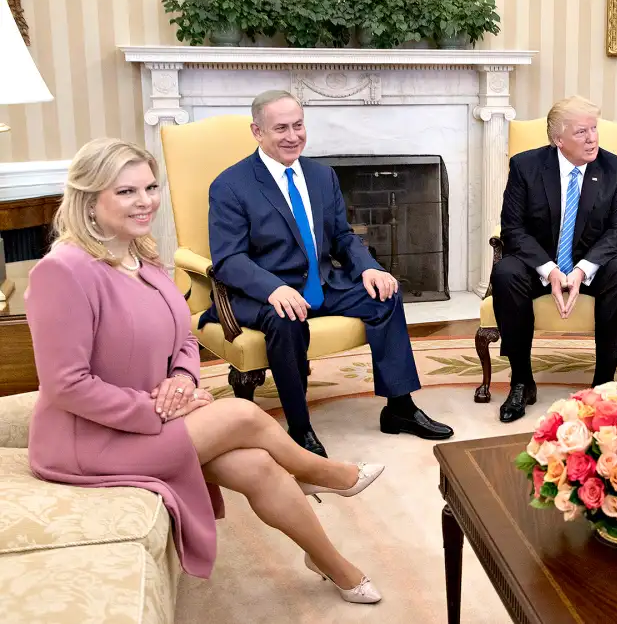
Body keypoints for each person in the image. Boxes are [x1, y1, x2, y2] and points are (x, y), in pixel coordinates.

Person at [25, 138, 385, 604]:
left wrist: (184, 381)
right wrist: (157, 410)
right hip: (89, 440)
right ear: (90, 200)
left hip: (153, 416)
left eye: (151, 187)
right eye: (127, 191)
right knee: (242, 415)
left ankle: (329, 560)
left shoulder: (143, 257)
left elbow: (184, 337)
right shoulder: (64, 271)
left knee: (258, 465)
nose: (146, 201)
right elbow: (65, 384)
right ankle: (322, 472)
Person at [202, 90, 453, 456]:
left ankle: (399, 407)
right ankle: (300, 428)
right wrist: (273, 289)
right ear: (257, 132)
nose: (293, 136)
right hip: (263, 294)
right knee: (284, 318)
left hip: (320, 284)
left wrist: (369, 269)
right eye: (281, 128)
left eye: (299, 125)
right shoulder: (230, 185)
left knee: (385, 296)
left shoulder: (322, 176)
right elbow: (229, 259)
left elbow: (340, 236)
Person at [491, 96, 617, 423]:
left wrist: (582, 270)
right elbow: (512, 229)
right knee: (505, 272)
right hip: (539, 263)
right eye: (581, 132)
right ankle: (521, 381)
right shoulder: (525, 167)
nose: (592, 139)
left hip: (589, 263)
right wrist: (549, 270)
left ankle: (603, 383)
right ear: (558, 140)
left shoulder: (614, 169)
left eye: (594, 129)